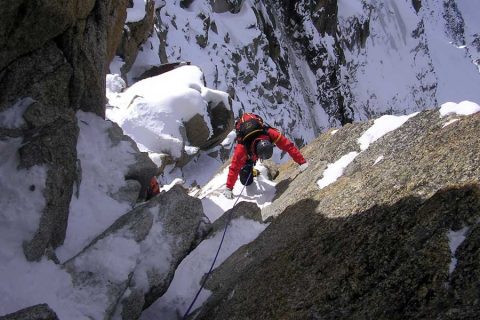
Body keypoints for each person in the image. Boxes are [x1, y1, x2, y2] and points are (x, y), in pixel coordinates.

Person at [223, 112, 309, 199]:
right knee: (246, 182)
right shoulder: (242, 148)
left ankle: (252, 168)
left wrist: (302, 162)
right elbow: (234, 167)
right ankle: (249, 167)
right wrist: (229, 188)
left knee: (249, 167)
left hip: (253, 146)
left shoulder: (271, 133)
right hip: (248, 150)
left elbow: (288, 146)